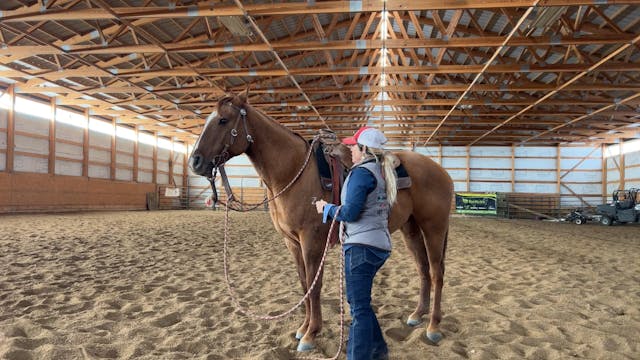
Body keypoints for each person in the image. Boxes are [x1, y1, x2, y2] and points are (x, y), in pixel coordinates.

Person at [315, 126, 397, 360]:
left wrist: (327, 208)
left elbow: (350, 213)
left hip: (361, 247)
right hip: (378, 244)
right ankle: (379, 349)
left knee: (358, 309)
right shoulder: (381, 172)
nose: (350, 149)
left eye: (353, 146)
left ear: (364, 149)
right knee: (360, 303)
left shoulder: (361, 173)